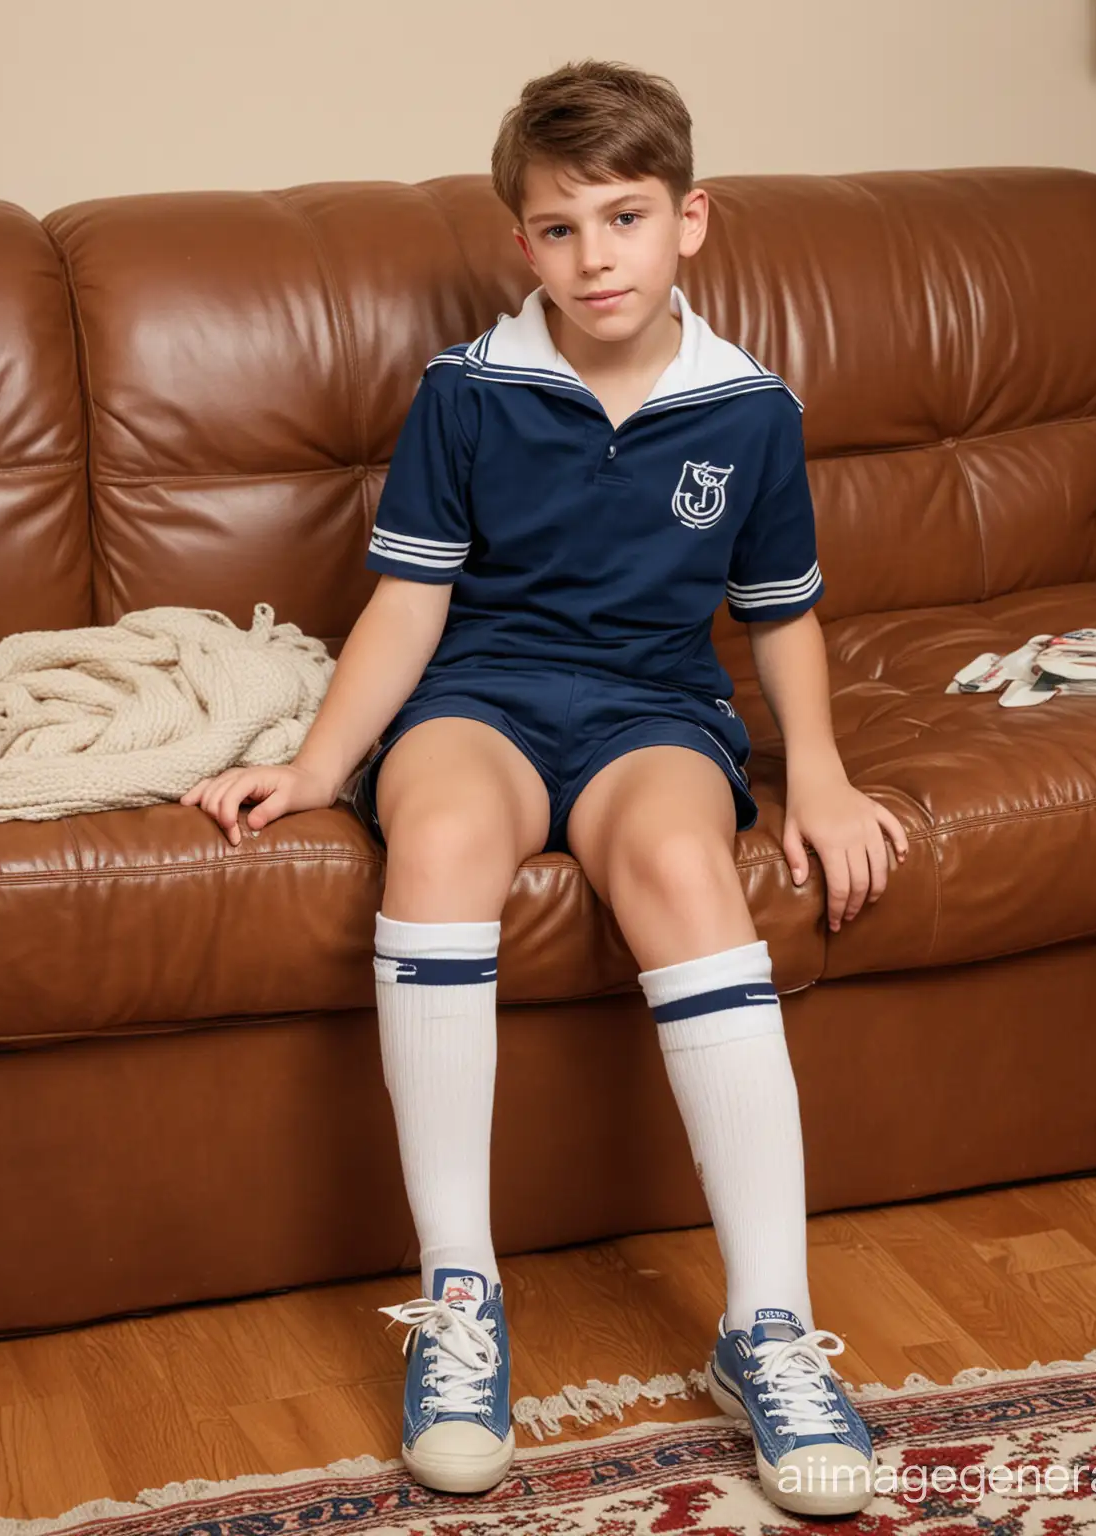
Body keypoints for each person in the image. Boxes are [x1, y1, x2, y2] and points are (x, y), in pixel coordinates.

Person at [180, 58, 908, 1520]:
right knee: (438, 835)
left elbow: (777, 613)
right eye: (562, 229)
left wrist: (819, 779)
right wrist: (319, 764)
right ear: (523, 243)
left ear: (691, 221)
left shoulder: (752, 410)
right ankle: (461, 1299)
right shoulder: (465, 392)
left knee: (687, 875)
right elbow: (405, 607)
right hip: (483, 699)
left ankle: (766, 1324)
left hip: (654, 710)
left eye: (626, 219)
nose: (597, 257)